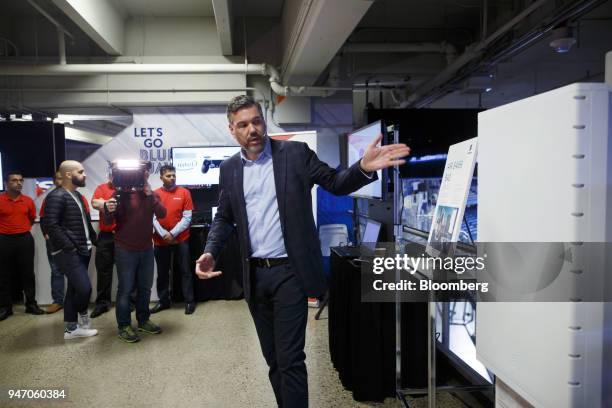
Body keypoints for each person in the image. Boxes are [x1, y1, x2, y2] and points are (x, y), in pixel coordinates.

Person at [195, 95, 410, 407]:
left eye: (256, 121)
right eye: (243, 125)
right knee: (273, 360)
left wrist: (362, 168)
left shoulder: (294, 154)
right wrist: (211, 250)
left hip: (290, 274)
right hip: (254, 277)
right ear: (232, 130)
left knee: (290, 359)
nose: (252, 129)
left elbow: (335, 181)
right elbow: (225, 218)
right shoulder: (229, 169)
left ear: (263, 122)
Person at [104, 163, 167, 343]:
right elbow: (108, 222)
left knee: (145, 288)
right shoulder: (118, 195)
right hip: (125, 250)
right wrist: (108, 208)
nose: (144, 173)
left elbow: (162, 213)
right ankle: (123, 325)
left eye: (146, 171)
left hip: (146, 249)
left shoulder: (150, 194)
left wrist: (151, 196)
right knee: (125, 290)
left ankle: (143, 320)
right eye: (140, 171)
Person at [42, 161, 98, 339]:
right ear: (68, 174)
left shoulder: (77, 195)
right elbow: (51, 225)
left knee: (74, 289)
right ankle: (81, 316)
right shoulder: (57, 196)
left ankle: (71, 329)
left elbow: (84, 222)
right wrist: (69, 246)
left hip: (83, 249)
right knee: (84, 289)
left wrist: (93, 240)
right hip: (69, 252)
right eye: (81, 172)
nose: (85, 175)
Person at [151, 164, 196, 315]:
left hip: (181, 239)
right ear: (161, 177)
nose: (172, 178)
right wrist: (164, 234)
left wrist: (172, 234)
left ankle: (189, 301)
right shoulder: (154, 194)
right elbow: (153, 218)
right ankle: (164, 301)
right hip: (160, 240)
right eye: (168, 176)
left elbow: (187, 217)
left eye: (173, 175)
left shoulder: (184, 192)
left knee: (185, 271)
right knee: (163, 273)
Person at [0, 171, 45, 321]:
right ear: (6, 183)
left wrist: (21, 229)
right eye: (14, 180)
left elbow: (31, 219)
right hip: (4, 239)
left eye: (20, 180)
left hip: (24, 239)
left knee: (28, 273)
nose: (18, 183)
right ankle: (6, 307)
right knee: (3, 274)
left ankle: (31, 305)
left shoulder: (28, 201)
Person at [90, 174, 117, 318]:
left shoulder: (129, 189)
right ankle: (102, 304)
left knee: (127, 272)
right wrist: (106, 203)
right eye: (114, 174)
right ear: (110, 175)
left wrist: (104, 203)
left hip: (123, 236)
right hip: (106, 236)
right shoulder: (102, 188)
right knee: (104, 272)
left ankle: (129, 302)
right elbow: (94, 203)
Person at [39, 171, 65, 314]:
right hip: (54, 242)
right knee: (56, 271)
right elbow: (43, 218)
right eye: (57, 178)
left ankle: (77, 301)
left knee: (77, 272)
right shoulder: (48, 198)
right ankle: (58, 301)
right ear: (54, 181)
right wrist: (46, 234)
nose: (59, 181)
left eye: (62, 178)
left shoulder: (76, 196)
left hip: (72, 241)